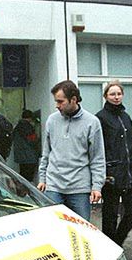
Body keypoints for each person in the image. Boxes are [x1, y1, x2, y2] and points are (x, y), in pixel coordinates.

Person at [37, 80, 105, 221]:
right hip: (53, 186)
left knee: (80, 232)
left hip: (79, 188)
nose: (57, 106)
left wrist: (97, 186)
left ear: (73, 99)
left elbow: (97, 157)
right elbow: (46, 153)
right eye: (56, 101)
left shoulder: (92, 122)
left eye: (60, 101)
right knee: (53, 229)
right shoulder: (51, 120)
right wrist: (42, 178)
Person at [96, 80, 132, 246]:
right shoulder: (100, 118)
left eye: (119, 93)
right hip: (112, 174)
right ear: (106, 96)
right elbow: (97, 148)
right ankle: (109, 247)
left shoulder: (125, 117)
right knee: (110, 214)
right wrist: (101, 171)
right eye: (112, 94)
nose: (116, 97)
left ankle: (117, 242)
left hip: (130, 173)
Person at [12, 109, 40, 182]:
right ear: (30, 118)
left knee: (23, 176)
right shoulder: (28, 127)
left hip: (21, 157)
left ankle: (23, 192)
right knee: (29, 178)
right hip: (29, 156)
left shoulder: (17, 127)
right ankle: (27, 192)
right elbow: (33, 140)